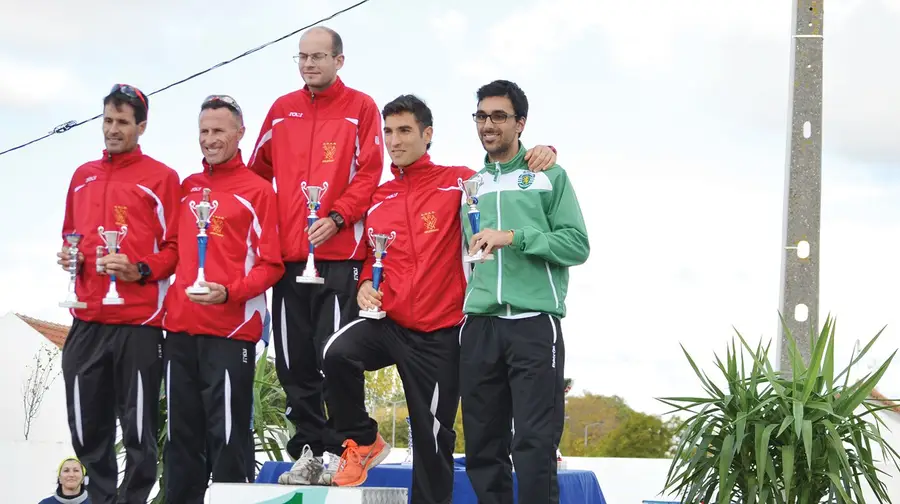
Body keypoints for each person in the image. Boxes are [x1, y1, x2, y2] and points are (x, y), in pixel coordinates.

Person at [321, 94, 556, 503]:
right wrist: (362, 284)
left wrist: (544, 152)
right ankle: (363, 440)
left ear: (427, 135)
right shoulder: (379, 197)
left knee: (432, 442)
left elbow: (503, 172)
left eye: (405, 131)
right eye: (388, 131)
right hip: (389, 323)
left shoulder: (459, 182)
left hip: (440, 334)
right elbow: (366, 259)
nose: (394, 140)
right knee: (336, 353)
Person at [248, 26, 384, 484]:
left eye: (318, 57)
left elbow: (370, 175)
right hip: (289, 259)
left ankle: (345, 450)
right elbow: (256, 175)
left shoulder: (360, 108)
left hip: (339, 255)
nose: (309, 64)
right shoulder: (281, 111)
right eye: (302, 57)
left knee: (332, 356)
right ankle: (308, 451)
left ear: (339, 61)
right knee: (294, 360)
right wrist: (271, 231)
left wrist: (341, 217)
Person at [458, 80, 590, 504]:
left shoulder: (548, 175)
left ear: (520, 123)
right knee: (482, 448)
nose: (488, 124)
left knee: (533, 447)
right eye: (481, 116)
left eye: (499, 116)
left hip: (534, 324)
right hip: (479, 326)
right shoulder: (470, 185)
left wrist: (514, 237)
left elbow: (576, 245)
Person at [57, 84, 180, 504]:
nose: (112, 130)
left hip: (139, 323)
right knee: (85, 423)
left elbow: (176, 250)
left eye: (122, 122)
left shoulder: (162, 178)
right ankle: (101, 499)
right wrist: (68, 258)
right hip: (87, 319)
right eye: (107, 120)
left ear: (141, 126)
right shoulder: (82, 175)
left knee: (138, 427)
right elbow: (70, 235)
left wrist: (138, 269)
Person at [161, 95, 284, 503]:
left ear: (240, 134)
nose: (210, 139)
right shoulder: (187, 188)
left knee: (229, 441)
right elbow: (171, 252)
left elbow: (272, 265)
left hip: (230, 334)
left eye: (218, 131)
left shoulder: (259, 192)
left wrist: (229, 292)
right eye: (204, 131)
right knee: (180, 445)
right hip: (179, 331)